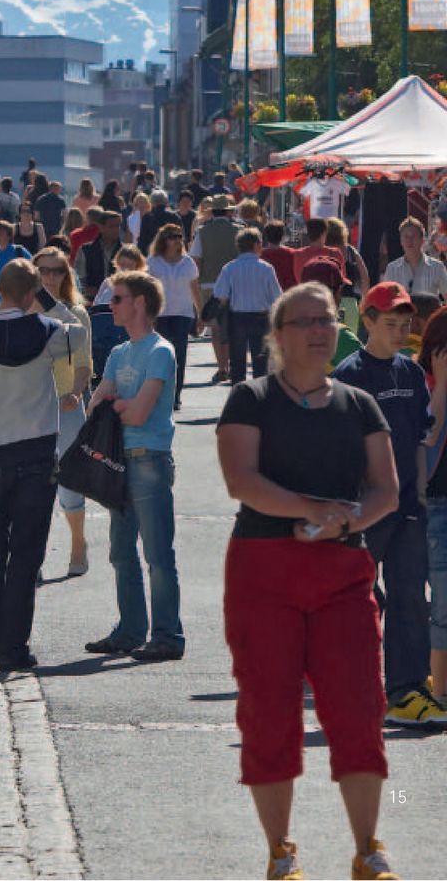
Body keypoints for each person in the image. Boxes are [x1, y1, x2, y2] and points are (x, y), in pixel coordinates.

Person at [216, 281, 402, 881]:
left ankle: (369, 849)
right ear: (278, 336)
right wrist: (309, 511)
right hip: (263, 570)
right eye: (305, 322)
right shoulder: (250, 399)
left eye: (326, 320)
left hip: (343, 571)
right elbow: (241, 481)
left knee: (358, 707)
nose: (321, 330)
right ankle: (280, 852)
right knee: (268, 711)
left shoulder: (359, 404)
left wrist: (343, 520)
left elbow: (386, 490)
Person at [0, 258, 87, 675]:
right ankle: (13, 649)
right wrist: (48, 301)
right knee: (26, 557)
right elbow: (78, 334)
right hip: (35, 454)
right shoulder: (49, 332)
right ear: (32, 294)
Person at [333, 282, 447, 726]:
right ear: (368, 322)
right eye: (391, 324)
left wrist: (418, 492)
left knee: (409, 601)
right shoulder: (350, 374)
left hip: (408, 511)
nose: (400, 332)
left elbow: (423, 438)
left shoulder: (411, 372)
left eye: (405, 324)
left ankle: (407, 692)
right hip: (364, 512)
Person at [84, 270, 184, 662]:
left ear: (139, 303)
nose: (112, 306)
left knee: (158, 555)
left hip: (150, 461)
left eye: (118, 299)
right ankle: (130, 630)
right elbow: (96, 407)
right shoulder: (118, 353)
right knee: (121, 552)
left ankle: (167, 634)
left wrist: (118, 405)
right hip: (120, 461)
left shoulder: (161, 351)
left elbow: (139, 413)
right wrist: (118, 406)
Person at [32, 248, 92, 576]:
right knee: (36, 486)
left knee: (69, 483)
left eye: (57, 271)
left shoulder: (76, 313)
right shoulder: (26, 313)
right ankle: (35, 556)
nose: (50, 277)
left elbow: (84, 364)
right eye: (44, 271)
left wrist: (76, 392)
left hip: (67, 404)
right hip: (33, 408)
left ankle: (78, 543)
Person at [416, 308, 447, 708]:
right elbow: (427, 436)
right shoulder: (421, 385)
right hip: (437, 507)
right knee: (441, 605)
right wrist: (442, 386)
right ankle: (439, 692)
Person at [213, 229, 283, 386]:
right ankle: (259, 399)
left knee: (237, 363)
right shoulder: (266, 268)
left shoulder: (229, 268)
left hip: (237, 318)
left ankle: (239, 399)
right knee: (260, 364)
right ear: (256, 245)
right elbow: (277, 297)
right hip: (261, 318)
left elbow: (221, 295)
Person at [148, 224, 202, 409]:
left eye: (179, 236)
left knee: (179, 355)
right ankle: (161, 393)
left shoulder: (188, 263)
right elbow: (148, 291)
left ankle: (176, 395)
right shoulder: (153, 262)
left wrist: (201, 314)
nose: (177, 239)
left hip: (183, 314)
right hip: (160, 314)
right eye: (172, 236)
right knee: (161, 355)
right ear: (164, 239)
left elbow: (195, 289)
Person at [190, 195, 242, 384]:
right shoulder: (240, 230)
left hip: (209, 283)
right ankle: (232, 364)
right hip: (234, 284)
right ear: (228, 211)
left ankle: (222, 367)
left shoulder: (202, 232)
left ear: (212, 212)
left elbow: (196, 260)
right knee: (233, 326)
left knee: (216, 328)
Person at [383, 217, 447, 300]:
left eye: (413, 236)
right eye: (406, 237)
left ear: (422, 240)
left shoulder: (438, 267)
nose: (409, 240)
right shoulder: (392, 269)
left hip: (429, 312)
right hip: (403, 312)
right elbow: (386, 300)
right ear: (401, 241)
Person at [75, 209, 123, 302]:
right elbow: (79, 278)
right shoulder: (85, 250)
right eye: (111, 226)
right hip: (91, 302)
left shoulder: (125, 251)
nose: (116, 230)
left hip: (119, 301)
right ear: (101, 227)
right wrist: (86, 290)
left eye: (118, 226)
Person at [291, 217, 347, 286]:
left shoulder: (298, 254)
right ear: (324, 233)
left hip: (307, 293)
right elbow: (342, 278)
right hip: (328, 294)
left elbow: (298, 279)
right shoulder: (335, 253)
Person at [0, 221, 31, 310]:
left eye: (0, 233)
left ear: (9, 236)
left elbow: (33, 270)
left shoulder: (19, 251)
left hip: (18, 302)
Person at [137, 189, 182, 257]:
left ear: (152, 202)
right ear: (166, 201)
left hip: (151, 254)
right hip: (171, 255)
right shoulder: (175, 217)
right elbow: (180, 238)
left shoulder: (147, 217)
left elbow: (142, 241)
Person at [260, 220, 298, 294]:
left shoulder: (260, 255)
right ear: (282, 235)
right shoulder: (293, 254)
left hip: (266, 296)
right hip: (287, 295)